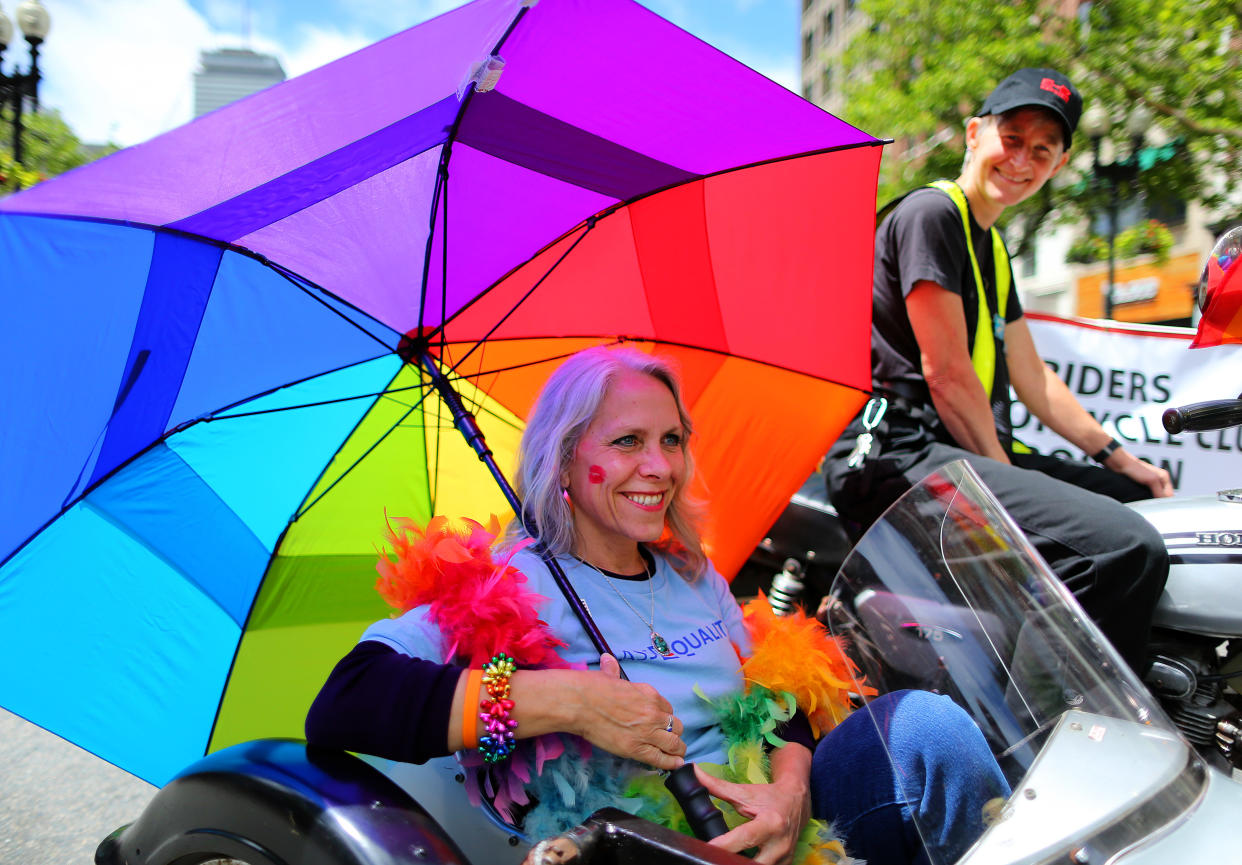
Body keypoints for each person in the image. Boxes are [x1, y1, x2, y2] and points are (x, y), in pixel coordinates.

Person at [307, 346, 1009, 865]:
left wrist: (789, 792)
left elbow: (777, 709)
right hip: (644, 852)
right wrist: (570, 700)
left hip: (785, 834)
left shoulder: (689, 575)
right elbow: (346, 698)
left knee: (925, 731)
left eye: (671, 439)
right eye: (627, 442)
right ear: (562, 462)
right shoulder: (505, 586)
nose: (660, 466)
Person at [824, 68, 1172, 674]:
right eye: (1011, 138)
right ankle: (1047, 733)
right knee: (1124, 546)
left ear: (1059, 165)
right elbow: (947, 374)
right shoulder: (932, 214)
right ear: (974, 133)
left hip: (954, 452)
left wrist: (1121, 458)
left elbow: (1035, 379)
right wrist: (1001, 497)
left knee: (1140, 501)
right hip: (894, 455)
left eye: (1042, 149)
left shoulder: (994, 249)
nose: (1022, 160)